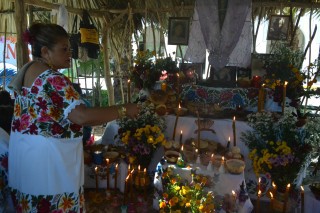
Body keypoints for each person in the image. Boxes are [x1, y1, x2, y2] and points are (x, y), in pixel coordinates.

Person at [8, 23, 138, 212]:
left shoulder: (29, 71)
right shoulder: (52, 78)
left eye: (70, 48)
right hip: (49, 166)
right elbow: (82, 116)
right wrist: (124, 109)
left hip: (28, 162)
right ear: (45, 52)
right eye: (64, 49)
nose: (70, 52)